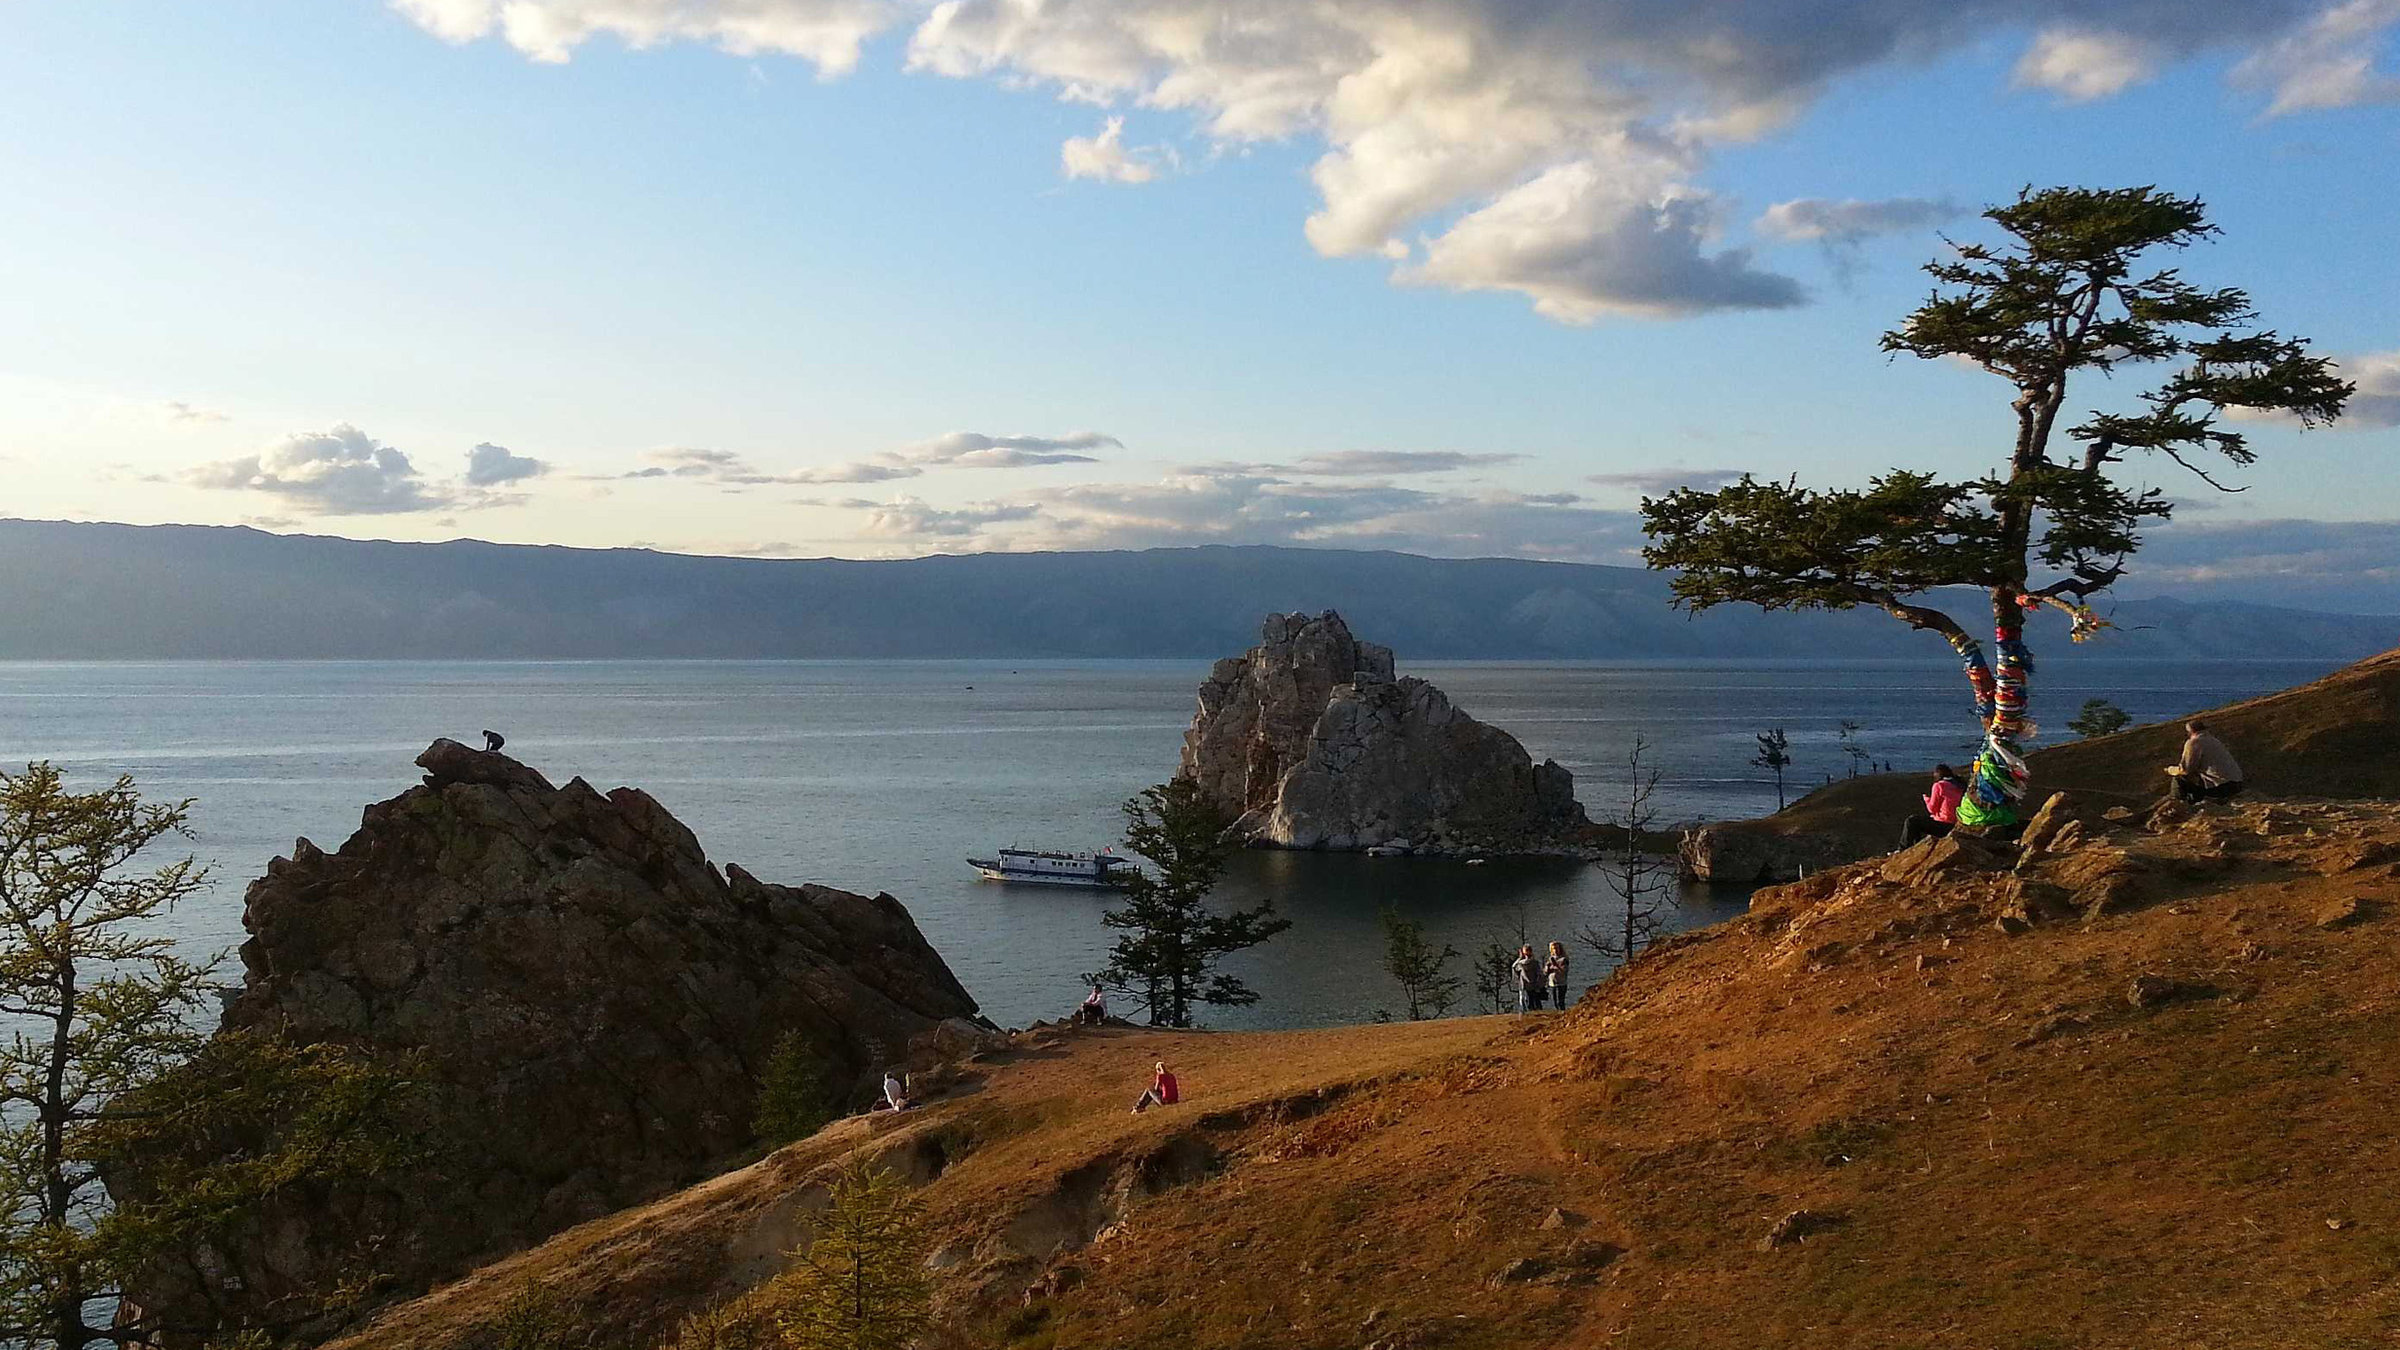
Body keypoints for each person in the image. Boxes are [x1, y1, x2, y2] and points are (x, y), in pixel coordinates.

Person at [2169, 720, 2246, 803]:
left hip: (2221, 787)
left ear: (2190, 732)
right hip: (2236, 784)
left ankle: (2178, 803)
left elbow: (2186, 770)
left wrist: (2171, 770)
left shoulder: (2194, 742)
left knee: (2178, 780)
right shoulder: (2213, 740)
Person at [1900, 765, 1965, 848]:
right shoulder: (1959, 786)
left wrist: (1927, 800)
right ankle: (1915, 847)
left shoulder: (1940, 786)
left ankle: (1904, 848)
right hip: (1957, 823)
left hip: (1944, 824)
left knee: (1912, 821)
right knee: (1920, 823)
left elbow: (1932, 809)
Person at [1511, 944, 1540, 1013]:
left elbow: (1538, 973)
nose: (1527, 953)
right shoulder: (1521, 963)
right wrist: (1520, 958)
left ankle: (1532, 1011)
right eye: (1526, 951)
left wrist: (1538, 984)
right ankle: (1524, 1012)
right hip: (1523, 984)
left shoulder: (1534, 963)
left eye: (1528, 951)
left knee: (1532, 1000)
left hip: (1533, 984)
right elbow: (1514, 967)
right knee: (1524, 1000)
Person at [1544, 941, 1570, 1011]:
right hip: (1552, 983)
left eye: (1556, 948)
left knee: (1560, 1002)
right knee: (1555, 1002)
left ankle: (1563, 1014)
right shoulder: (1550, 959)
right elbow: (1545, 972)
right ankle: (1558, 1014)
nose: (1555, 950)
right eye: (1553, 949)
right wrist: (1547, 968)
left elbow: (1564, 971)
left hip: (1561, 983)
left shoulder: (1564, 959)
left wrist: (1555, 966)